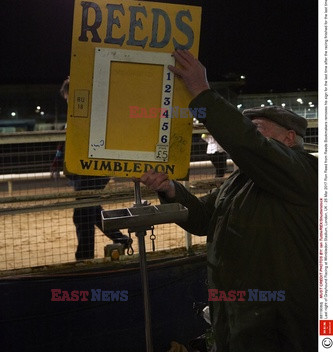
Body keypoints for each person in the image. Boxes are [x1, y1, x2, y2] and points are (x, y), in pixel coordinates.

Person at [139, 50, 317, 352]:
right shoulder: (240, 179)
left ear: (289, 138)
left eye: (259, 129)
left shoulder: (303, 171)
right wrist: (171, 189)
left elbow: (249, 144)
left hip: (277, 321)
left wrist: (202, 93)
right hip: (236, 315)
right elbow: (203, 219)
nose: (251, 136)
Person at [51, 77, 132, 260]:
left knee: (82, 213)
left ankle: (85, 258)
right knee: (91, 209)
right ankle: (121, 238)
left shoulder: (89, 111)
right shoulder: (83, 112)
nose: (67, 101)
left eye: (67, 97)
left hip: (92, 168)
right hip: (87, 168)